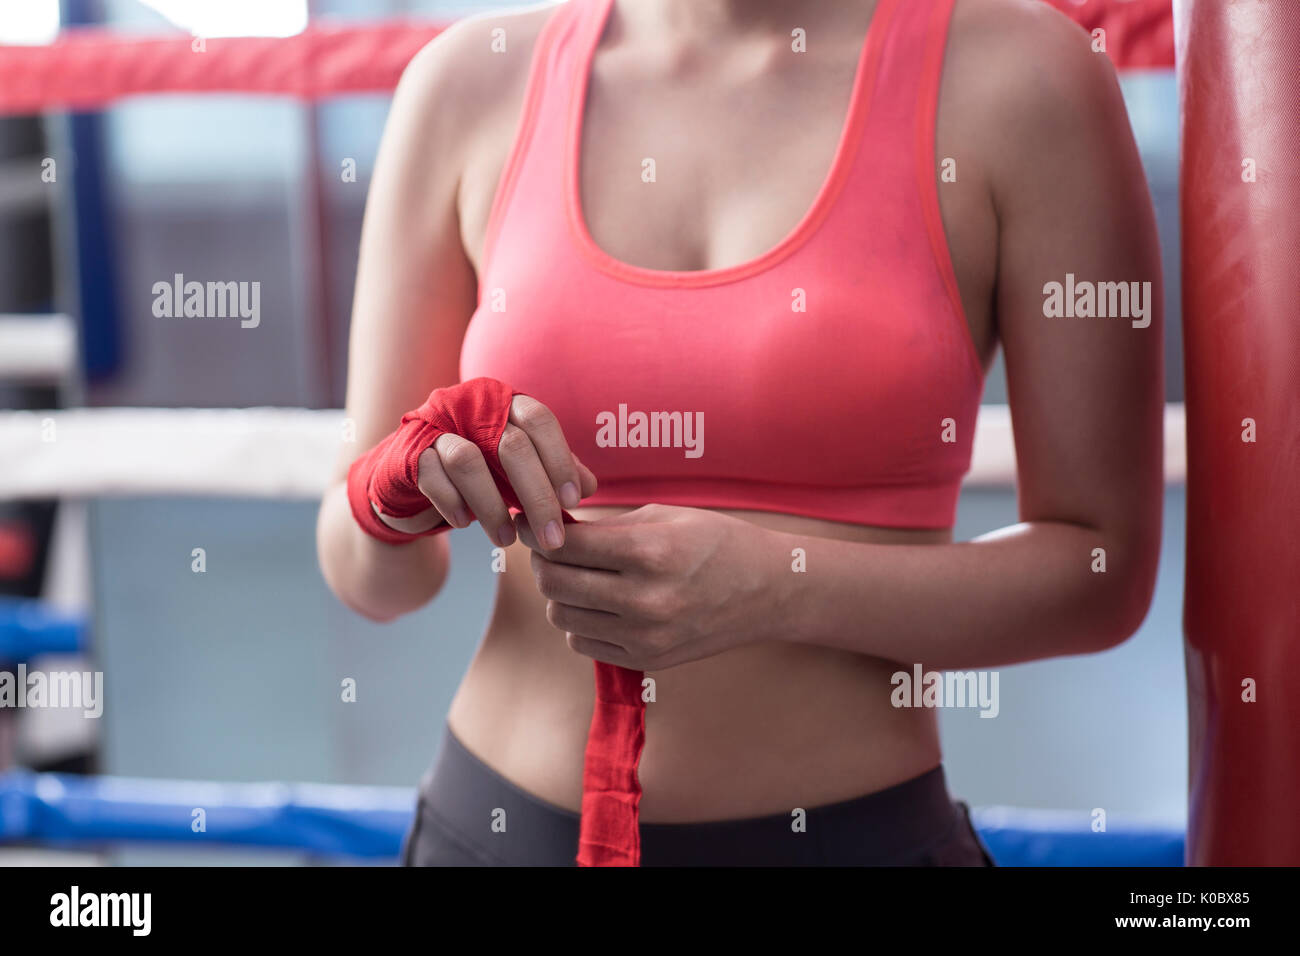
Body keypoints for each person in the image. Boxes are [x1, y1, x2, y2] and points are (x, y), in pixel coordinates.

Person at [317, 0, 1164, 866]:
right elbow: (371, 579)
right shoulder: (468, 78)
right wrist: (396, 491)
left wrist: (777, 588)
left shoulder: (1023, 76)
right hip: (494, 829)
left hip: (858, 840)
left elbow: (1102, 570)